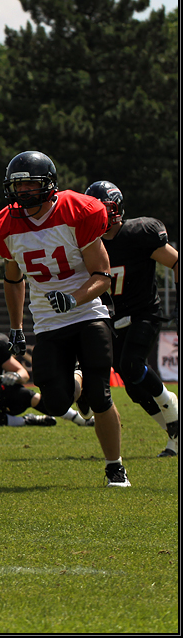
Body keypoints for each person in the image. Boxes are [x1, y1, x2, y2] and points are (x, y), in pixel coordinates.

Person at [0, 151, 129, 487]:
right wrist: (16, 326)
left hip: (88, 312)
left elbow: (103, 276)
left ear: (49, 186)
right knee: (54, 402)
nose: (23, 193)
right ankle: (76, 380)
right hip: (49, 322)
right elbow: (13, 278)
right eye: (18, 186)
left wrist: (73, 297)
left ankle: (115, 468)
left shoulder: (78, 211)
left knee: (101, 395)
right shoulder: (5, 227)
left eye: (31, 185)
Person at [86, 180, 179, 457]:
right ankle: (174, 435)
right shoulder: (89, 244)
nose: (102, 217)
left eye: (107, 210)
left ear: (118, 209)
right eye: (96, 212)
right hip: (113, 317)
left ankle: (171, 403)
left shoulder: (140, 233)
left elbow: (176, 262)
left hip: (143, 312)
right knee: (133, 390)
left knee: (132, 365)